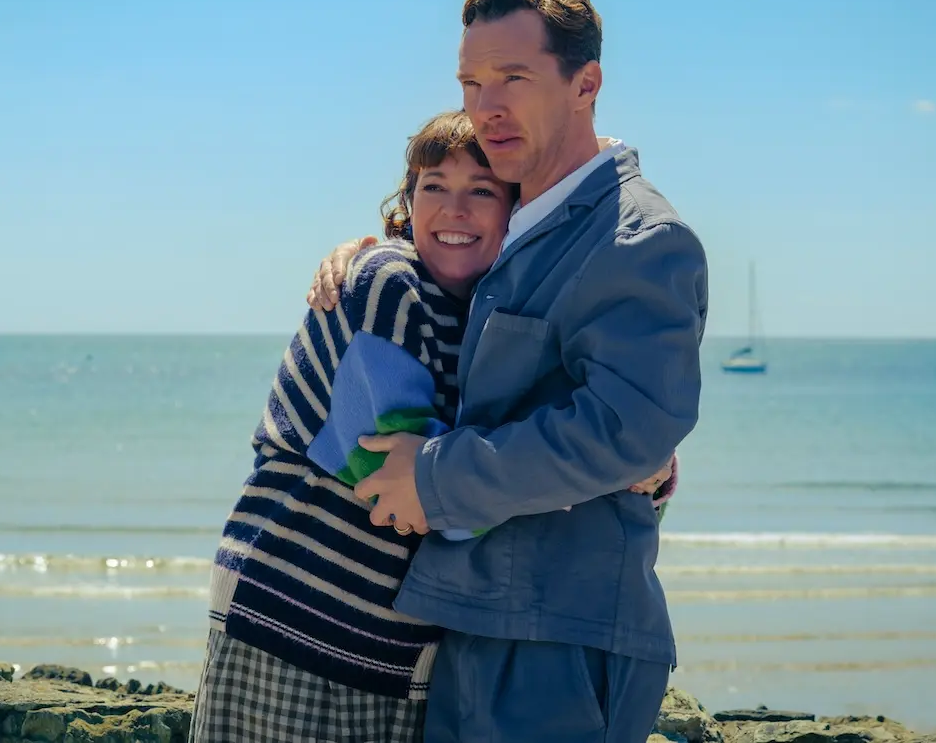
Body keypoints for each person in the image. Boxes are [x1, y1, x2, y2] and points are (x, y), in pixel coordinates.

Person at [305, 0, 708, 743]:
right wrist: (372, 254)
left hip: (561, 639)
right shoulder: (521, 216)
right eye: (471, 82)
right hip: (476, 624)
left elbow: (626, 430)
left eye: (513, 78)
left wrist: (433, 478)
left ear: (585, 84)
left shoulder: (639, 238)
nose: (485, 106)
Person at [190, 110, 676, 743]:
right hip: (294, 616)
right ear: (408, 202)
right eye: (433, 186)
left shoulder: (490, 316)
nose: (454, 209)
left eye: (482, 191)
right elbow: (406, 491)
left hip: (397, 645)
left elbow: (532, 434)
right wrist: (603, 467)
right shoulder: (386, 285)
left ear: (517, 212)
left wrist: (634, 456)